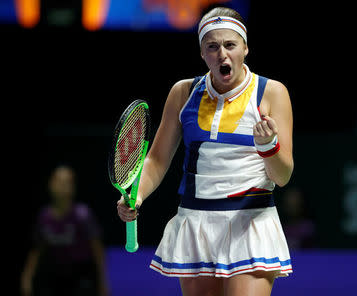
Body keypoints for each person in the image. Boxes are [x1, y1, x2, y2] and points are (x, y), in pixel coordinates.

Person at [117, 6, 294, 296]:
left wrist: (267, 146)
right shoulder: (183, 93)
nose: (222, 54)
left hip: (250, 223)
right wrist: (137, 195)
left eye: (230, 45)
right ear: (202, 53)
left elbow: (283, 175)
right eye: (212, 46)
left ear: (245, 48)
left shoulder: (272, 92)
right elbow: (157, 160)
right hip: (196, 222)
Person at [21, 165, 109, 296]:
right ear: (50, 184)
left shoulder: (83, 215)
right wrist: (26, 278)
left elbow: (97, 250)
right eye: (58, 181)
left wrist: (103, 282)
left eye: (66, 182)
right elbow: (37, 250)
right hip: (53, 277)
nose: (62, 186)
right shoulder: (44, 216)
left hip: (80, 277)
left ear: (73, 187)